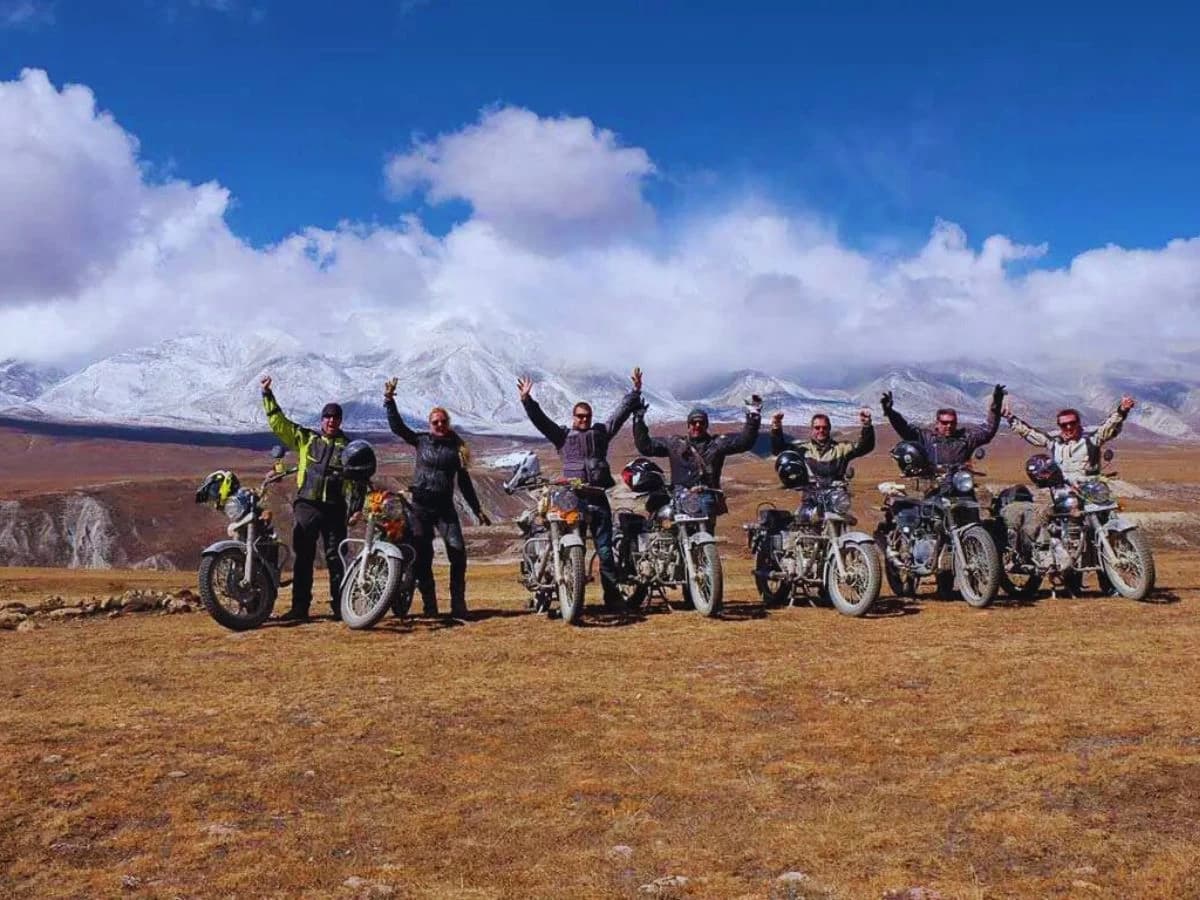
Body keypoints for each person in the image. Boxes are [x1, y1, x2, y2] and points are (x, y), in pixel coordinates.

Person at [518, 367, 644, 609]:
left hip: (598, 499)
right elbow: (541, 422)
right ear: (573, 417)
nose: (584, 419)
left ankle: (612, 596)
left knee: (605, 551)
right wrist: (527, 400)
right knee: (568, 546)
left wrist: (635, 392)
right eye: (579, 416)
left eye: (587, 416)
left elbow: (620, 415)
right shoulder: (563, 437)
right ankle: (565, 592)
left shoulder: (601, 434)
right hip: (572, 500)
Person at [384, 380, 490, 618]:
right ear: (429, 425)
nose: (440, 425)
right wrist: (389, 401)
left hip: (444, 508)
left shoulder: (457, 449)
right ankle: (430, 606)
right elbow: (398, 428)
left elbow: (464, 482)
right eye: (435, 422)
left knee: (458, 551)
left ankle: (458, 605)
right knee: (423, 557)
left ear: (448, 424)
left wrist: (477, 509)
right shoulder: (421, 441)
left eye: (443, 422)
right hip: (419, 507)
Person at [260, 374, 353, 622]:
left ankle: (341, 607)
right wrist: (268, 396)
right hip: (307, 504)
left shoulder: (348, 447)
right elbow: (280, 425)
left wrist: (357, 507)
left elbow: (357, 480)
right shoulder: (307, 438)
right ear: (322, 420)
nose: (331, 421)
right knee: (304, 557)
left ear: (340, 421)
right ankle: (300, 608)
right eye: (328, 417)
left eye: (336, 417)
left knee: (337, 557)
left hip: (335, 507)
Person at [999, 395, 1136, 555]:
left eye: (1072, 423)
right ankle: (1050, 554)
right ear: (1060, 426)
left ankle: (1109, 565)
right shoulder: (1054, 442)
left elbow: (1109, 427)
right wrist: (1010, 418)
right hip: (1063, 494)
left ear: (1078, 423)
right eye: (1064, 425)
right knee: (1051, 523)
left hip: (1090, 491)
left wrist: (1122, 410)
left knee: (1108, 517)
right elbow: (1030, 433)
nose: (1069, 427)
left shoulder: (1091, 440)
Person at [632, 386, 762, 529]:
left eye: (701, 422)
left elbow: (744, 442)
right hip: (680, 496)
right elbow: (646, 447)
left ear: (706, 425)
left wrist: (753, 415)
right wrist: (638, 418)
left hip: (706, 496)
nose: (697, 425)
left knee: (706, 534)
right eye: (694, 422)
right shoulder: (675, 443)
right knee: (675, 532)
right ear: (688, 425)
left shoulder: (717, 444)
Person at [880, 384, 1006, 470]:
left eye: (952, 422)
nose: (949, 426)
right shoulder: (926, 437)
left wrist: (996, 404)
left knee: (971, 506)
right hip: (934, 485)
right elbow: (905, 429)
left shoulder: (966, 438)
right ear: (937, 423)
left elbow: (988, 430)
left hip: (960, 484)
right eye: (945, 423)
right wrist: (890, 412)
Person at [769, 408, 875, 481]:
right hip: (810, 497)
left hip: (836, 497)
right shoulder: (802, 449)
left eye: (824, 427)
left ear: (829, 428)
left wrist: (867, 425)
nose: (821, 430)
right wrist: (776, 427)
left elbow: (865, 447)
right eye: (817, 427)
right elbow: (779, 450)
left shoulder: (842, 448)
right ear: (812, 429)